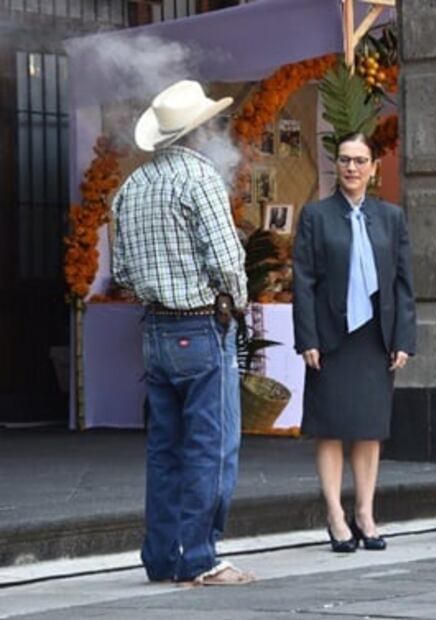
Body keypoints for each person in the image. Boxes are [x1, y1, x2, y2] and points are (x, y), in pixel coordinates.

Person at [111, 80, 253, 585]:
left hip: (155, 328)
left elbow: (122, 272)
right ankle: (200, 557)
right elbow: (228, 261)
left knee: (165, 448)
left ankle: (162, 557)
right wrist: (236, 304)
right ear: (200, 131)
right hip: (200, 323)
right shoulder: (200, 179)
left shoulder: (130, 188)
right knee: (211, 446)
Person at [292, 133, 416, 553]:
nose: (352, 168)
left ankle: (365, 512)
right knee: (329, 428)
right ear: (336, 165)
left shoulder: (391, 217)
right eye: (345, 160)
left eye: (360, 161)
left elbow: (403, 284)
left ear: (373, 167)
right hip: (330, 337)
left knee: (368, 429)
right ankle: (335, 515)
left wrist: (404, 337)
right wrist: (306, 336)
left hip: (375, 337)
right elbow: (303, 281)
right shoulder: (316, 216)